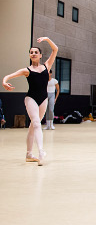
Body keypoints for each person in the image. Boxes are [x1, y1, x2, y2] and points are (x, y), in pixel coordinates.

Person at [2, 37, 59, 166]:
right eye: (31, 52)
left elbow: (55, 49)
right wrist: (4, 82)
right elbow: (8, 76)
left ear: (40, 55)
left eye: (35, 52)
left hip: (43, 99)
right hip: (31, 99)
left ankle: (29, 154)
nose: (33, 54)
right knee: (36, 123)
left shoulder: (46, 66)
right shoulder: (26, 71)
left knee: (33, 126)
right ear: (30, 55)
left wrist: (47, 39)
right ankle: (41, 151)